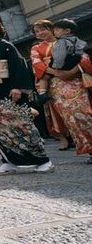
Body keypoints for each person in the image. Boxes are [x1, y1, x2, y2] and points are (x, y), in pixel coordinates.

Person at [0, 19, 54, 175]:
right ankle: (8, 161)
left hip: (9, 94)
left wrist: (17, 86)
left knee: (22, 127)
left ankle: (44, 160)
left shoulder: (7, 47)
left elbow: (19, 67)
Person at [38, 19, 92, 162]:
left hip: (75, 81)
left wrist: (70, 71)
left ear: (67, 31)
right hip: (56, 85)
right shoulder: (37, 48)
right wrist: (51, 75)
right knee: (70, 119)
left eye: (57, 30)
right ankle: (90, 149)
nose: (54, 32)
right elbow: (39, 66)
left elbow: (84, 59)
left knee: (83, 113)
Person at [30, 20, 72, 149]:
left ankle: (77, 134)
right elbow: (37, 63)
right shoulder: (36, 48)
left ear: (51, 28)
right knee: (55, 110)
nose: (40, 33)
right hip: (50, 78)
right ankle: (62, 137)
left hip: (69, 76)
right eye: (37, 32)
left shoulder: (65, 42)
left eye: (43, 29)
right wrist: (54, 72)